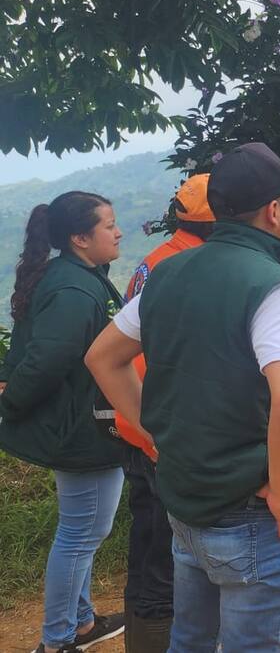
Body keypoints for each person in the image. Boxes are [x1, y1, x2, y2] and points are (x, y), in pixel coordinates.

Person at [86, 143, 280, 652]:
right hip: (249, 508)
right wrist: (279, 490)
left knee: (190, 640)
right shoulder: (272, 285)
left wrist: (154, 435)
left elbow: (103, 357)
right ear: (274, 210)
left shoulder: (167, 272)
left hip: (185, 501)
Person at [0, 192, 127, 653]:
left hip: (80, 425)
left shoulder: (78, 276)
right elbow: (47, 358)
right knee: (81, 534)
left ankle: (82, 622)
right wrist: (12, 402)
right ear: (79, 238)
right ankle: (57, 640)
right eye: (108, 226)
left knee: (85, 529)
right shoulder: (75, 288)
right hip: (80, 431)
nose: (118, 233)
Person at [105, 175, 215, 653]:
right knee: (164, 557)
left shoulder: (158, 261)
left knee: (150, 543)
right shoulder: (193, 269)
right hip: (162, 432)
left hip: (138, 426)